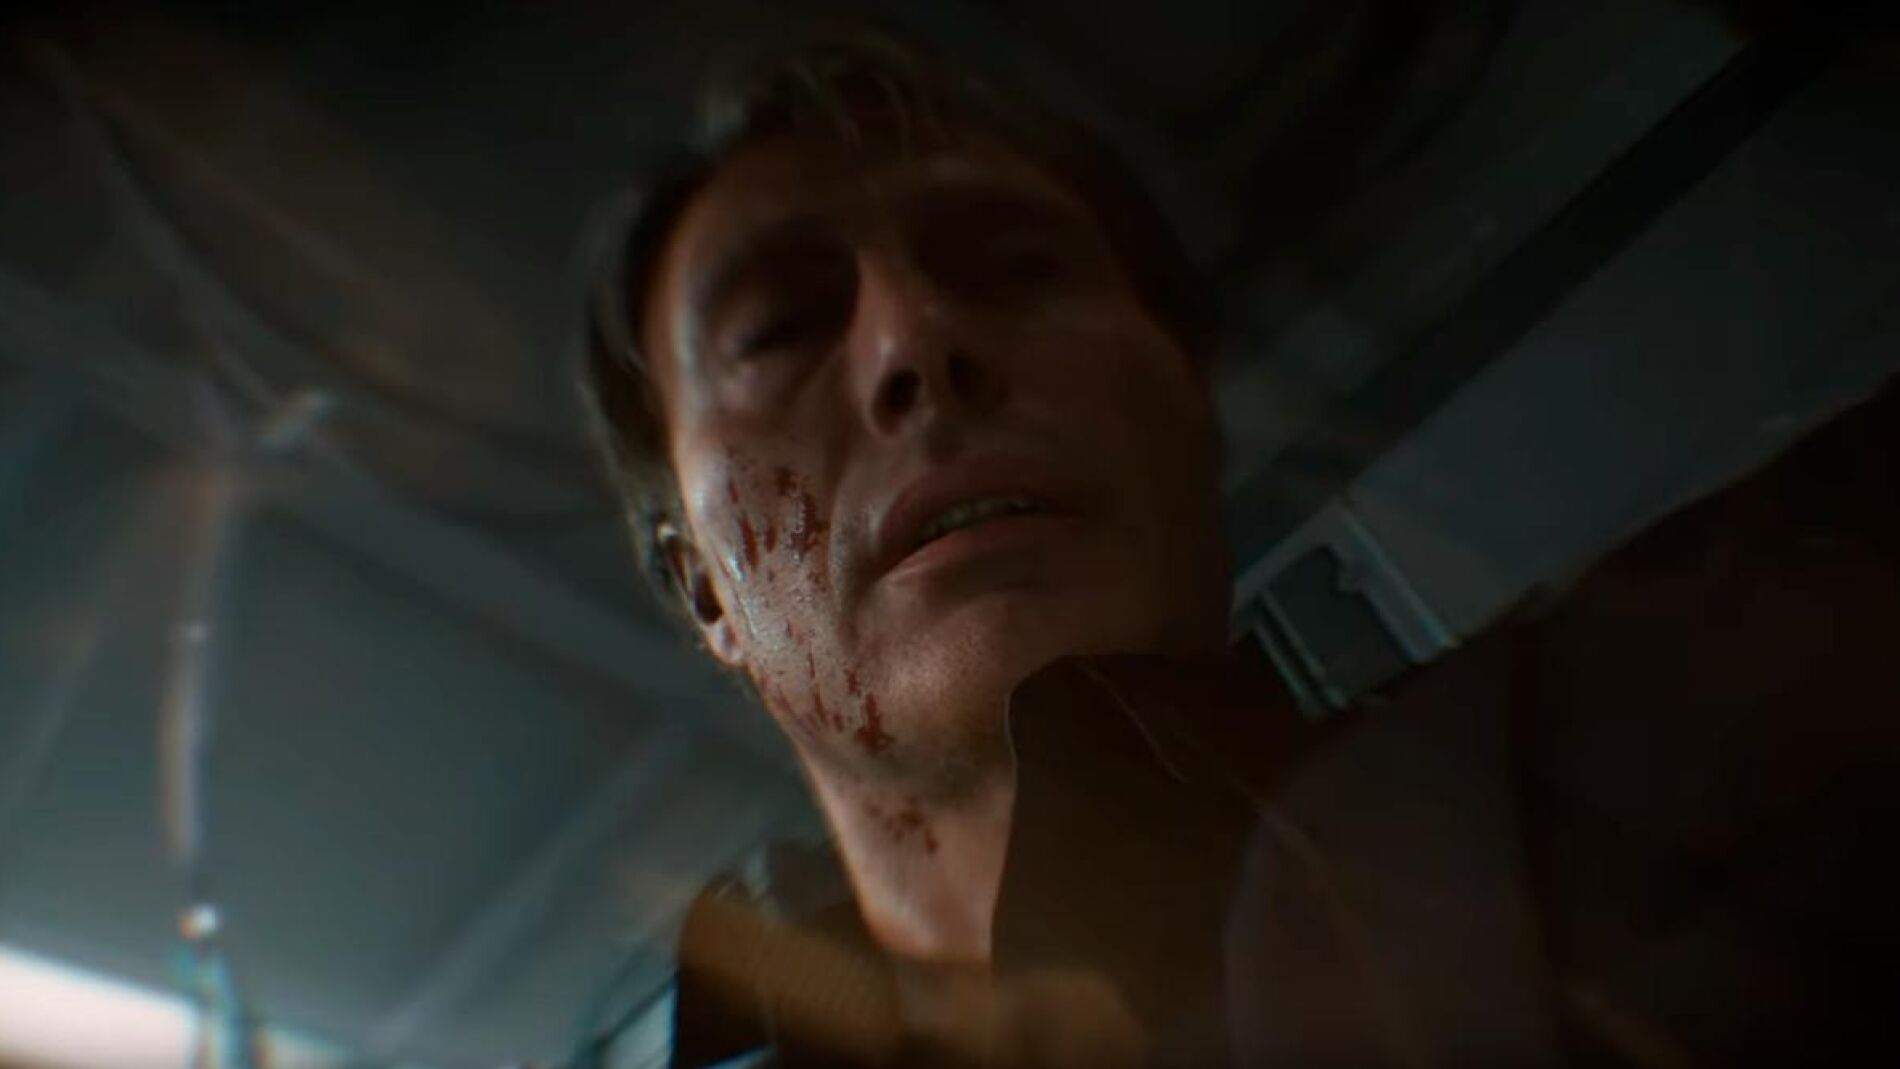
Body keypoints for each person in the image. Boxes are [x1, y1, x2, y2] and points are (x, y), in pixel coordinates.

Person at [579, 27, 1900, 1068]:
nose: (913, 340)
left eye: (1018, 265)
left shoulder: (1654, 747)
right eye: (780, 327)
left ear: (1190, 410)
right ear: (702, 585)